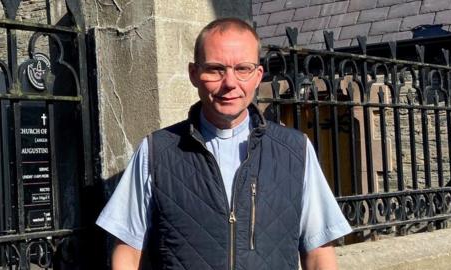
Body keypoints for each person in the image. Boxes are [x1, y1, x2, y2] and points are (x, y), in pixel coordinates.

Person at [96, 17, 351, 270]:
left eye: (242, 69)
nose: (230, 83)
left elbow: (319, 255)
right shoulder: (156, 152)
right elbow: (127, 252)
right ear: (194, 74)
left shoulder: (295, 150)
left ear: (257, 75)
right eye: (216, 69)